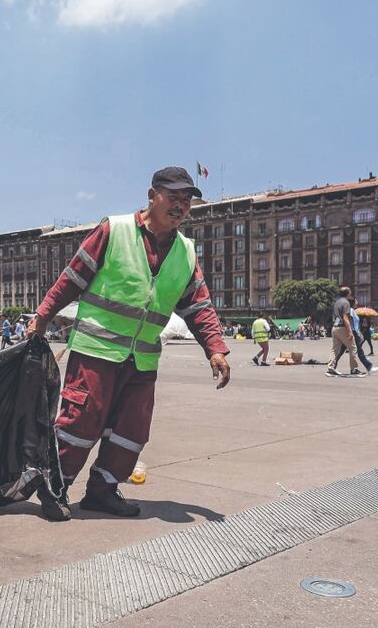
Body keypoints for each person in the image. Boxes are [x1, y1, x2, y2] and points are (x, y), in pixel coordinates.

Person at [26, 165, 231, 521]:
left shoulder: (186, 252)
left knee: (131, 431)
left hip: (143, 359)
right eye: (173, 197)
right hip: (96, 350)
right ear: (152, 196)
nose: (180, 206)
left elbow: (198, 305)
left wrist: (215, 348)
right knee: (80, 423)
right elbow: (72, 277)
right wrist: (43, 315)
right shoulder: (114, 230)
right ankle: (55, 487)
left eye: (187, 201)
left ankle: (102, 491)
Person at [334, 298, 378, 374]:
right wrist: (352, 332)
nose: (357, 302)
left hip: (352, 331)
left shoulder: (352, 310)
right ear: (353, 302)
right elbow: (349, 321)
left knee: (341, 351)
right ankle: (368, 367)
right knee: (359, 350)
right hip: (352, 332)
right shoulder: (351, 310)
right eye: (356, 300)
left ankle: (332, 366)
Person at [325, 286, 361, 376]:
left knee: (334, 349)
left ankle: (330, 368)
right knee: (353, 348)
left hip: (335, 327)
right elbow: (345, 317)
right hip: (342, 327)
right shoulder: (346, 303)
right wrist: (349, 331)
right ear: (348, 294)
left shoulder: (336, 302)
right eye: (350, 292)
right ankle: (354, 369)